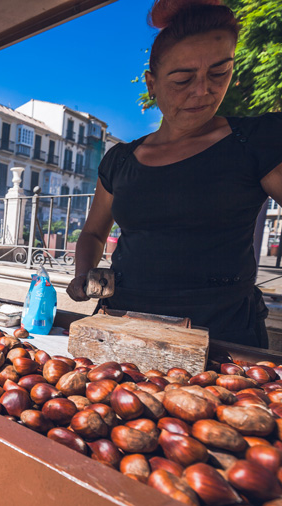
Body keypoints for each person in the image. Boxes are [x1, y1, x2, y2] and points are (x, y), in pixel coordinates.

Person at [66, 0, 282, 348]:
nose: (203, 90)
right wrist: (83, 274)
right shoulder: (120, 159)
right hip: (124, 324)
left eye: (219, 73)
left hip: (220, 337)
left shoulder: (254, 142)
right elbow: (92, 233)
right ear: (151, 83)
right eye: (183, 79)